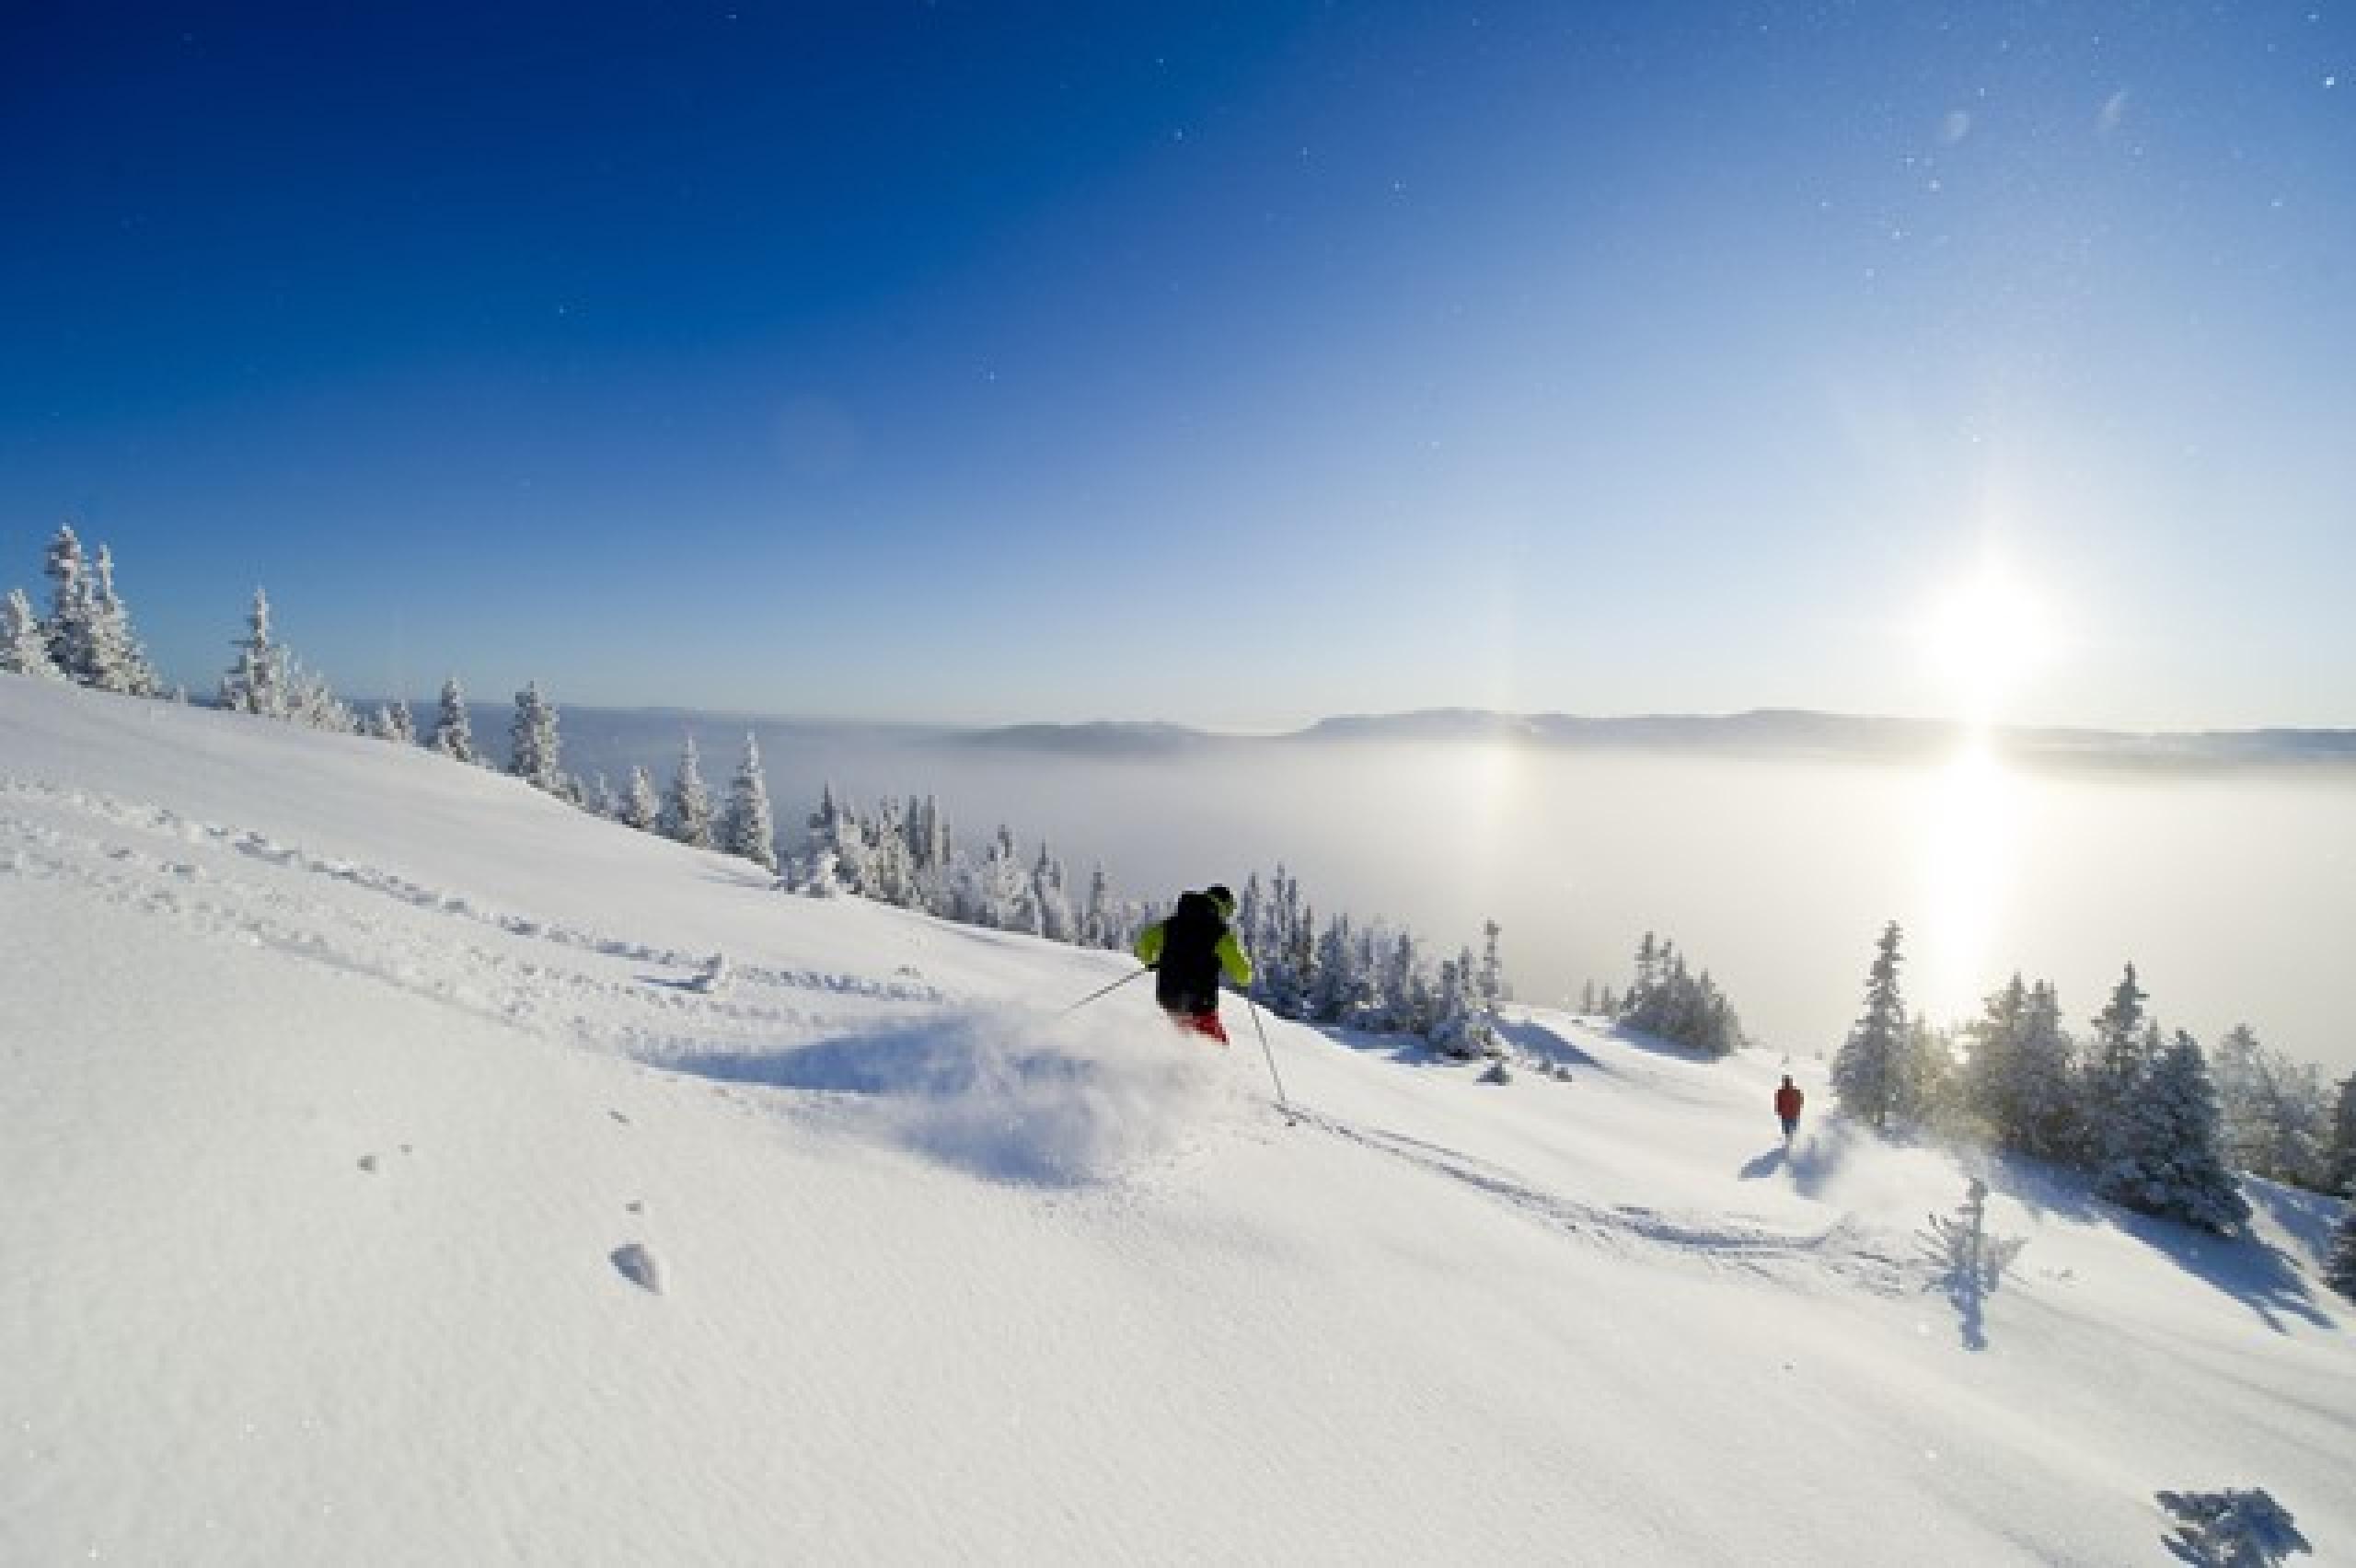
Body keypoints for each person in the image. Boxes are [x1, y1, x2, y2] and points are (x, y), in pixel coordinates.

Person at [1132, 884, 1253, 1045]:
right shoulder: (1218, 932)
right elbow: (1242, 973)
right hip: (1199, 1001)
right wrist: (1245, 979)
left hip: (1169, 997)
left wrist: (1152, 961)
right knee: (1218, 1049)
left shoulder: (1172, 924)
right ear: (1224, 906)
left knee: (1184, 1042)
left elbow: (1143, 944)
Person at [1774, 1074, 1804, 1142]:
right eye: (1786, 1082)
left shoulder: (1794, 1091)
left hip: (1792, 1115)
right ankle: (1790, 1144)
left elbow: (1800, 1101)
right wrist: (1779, 1111)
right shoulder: (1781, 1092)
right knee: (1788, 1132)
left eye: (1787, 1082)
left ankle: (1792, 1144)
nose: (1787, 1083)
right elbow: (1778, 1103)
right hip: (1786, 1115)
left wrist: (1798, 1110)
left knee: (1792, 1132)